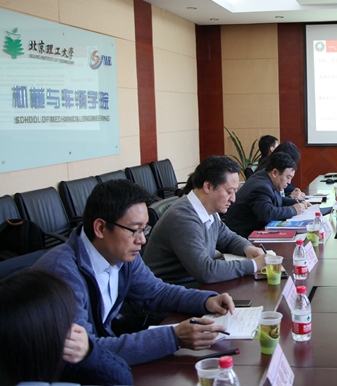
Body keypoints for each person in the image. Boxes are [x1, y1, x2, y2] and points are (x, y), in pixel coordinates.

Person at [33, 179, 236, 366]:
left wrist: (206, 300)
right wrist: (173, 337)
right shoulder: (60, 273)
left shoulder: (121, 254)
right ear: (100, 228)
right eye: (135, 230)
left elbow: (155, 292)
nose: (142, 240)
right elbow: (83, 351)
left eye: (144, 229)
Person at [144, 156, 267, 286]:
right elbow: (206, 271)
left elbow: (227, 238)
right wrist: (253, 265)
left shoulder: (208, 210)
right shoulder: (183, 219)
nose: (233, 199)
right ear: (208, 186)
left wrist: (248, 248)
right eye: (229, 192)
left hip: (192, 285)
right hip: (171, 290)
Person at [0, 270, 132, 385]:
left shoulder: (59, 357)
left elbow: (123, 379)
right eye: (66, 320)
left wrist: (89, 354)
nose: (73, 327)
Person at [225, 152, 311, 238]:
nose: (289, 182)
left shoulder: (267, 178)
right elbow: (267, 214)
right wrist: (293, 210)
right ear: (275, 173)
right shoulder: (261, 187)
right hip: (242, 236)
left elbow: (277, 199)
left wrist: (297, 202)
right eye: (288, 177)